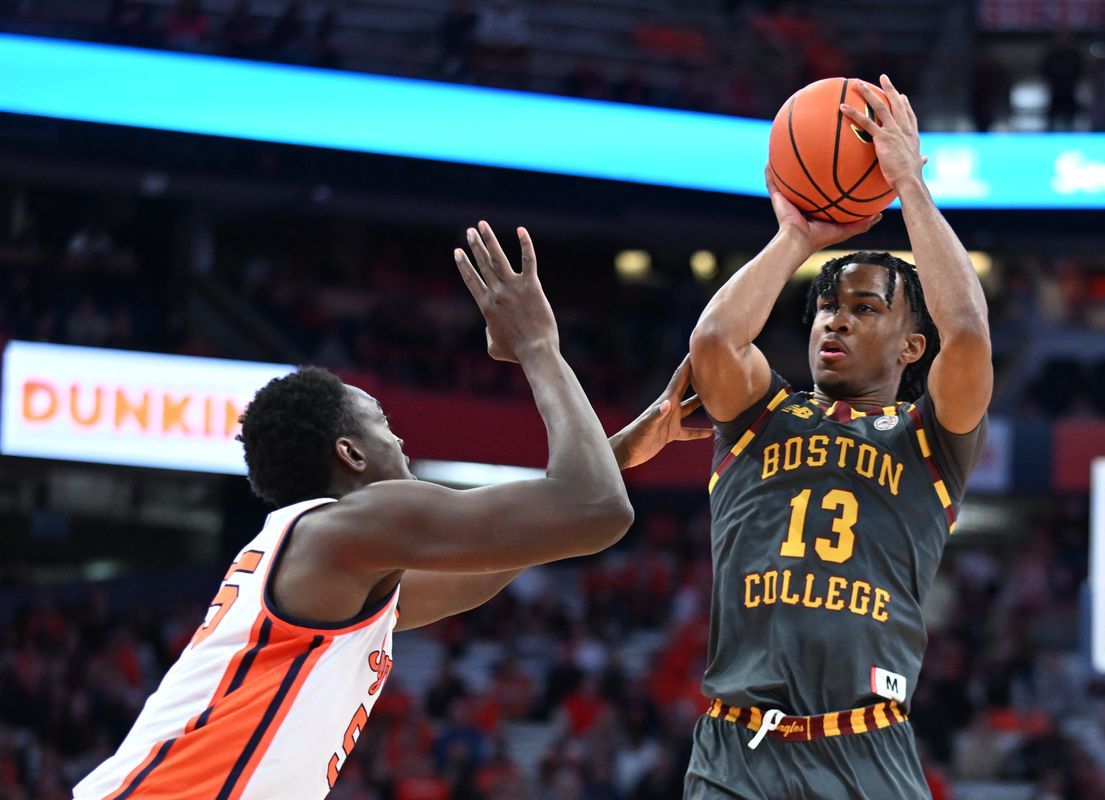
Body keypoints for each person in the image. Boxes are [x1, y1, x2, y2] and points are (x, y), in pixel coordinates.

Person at [73, 222, 710, 799]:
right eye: (384, 424)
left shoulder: (329, 561)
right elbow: (594, 511)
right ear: (349, 453)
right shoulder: (350, 526)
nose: (400, 440)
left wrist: (622, 449)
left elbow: (497, 559)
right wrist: (539, 347)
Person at [684, 75, 991, 798]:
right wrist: (795, 236)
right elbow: (715, 339)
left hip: (865, 753)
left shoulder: (928, 443)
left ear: (912, 346)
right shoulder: (761, 416)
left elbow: (970, 336)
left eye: (863, 307)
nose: (836, 319)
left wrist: (909, 186)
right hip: (736, 752)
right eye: (825, 303)